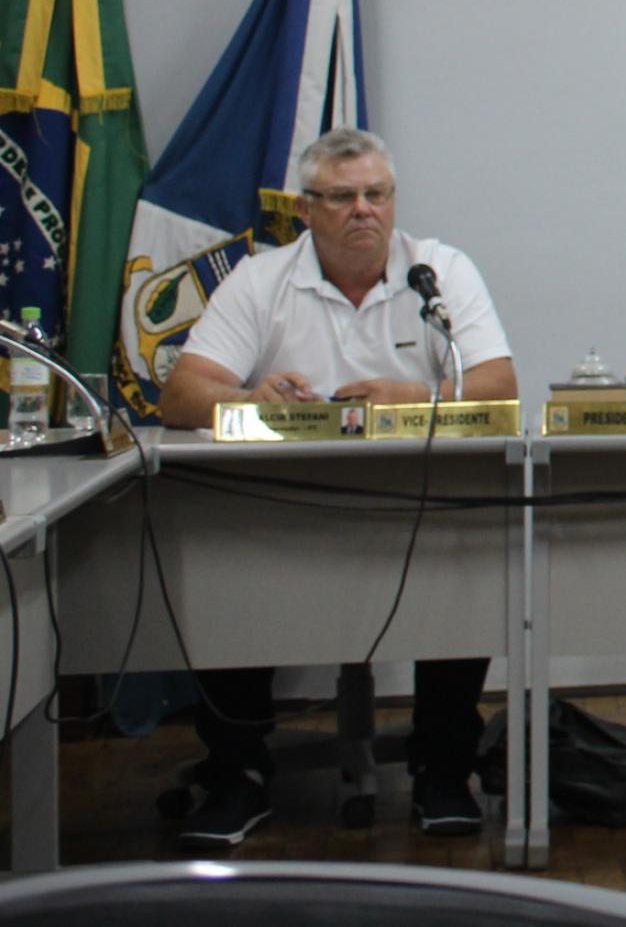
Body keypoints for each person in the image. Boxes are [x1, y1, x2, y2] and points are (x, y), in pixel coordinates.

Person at [157, 128, 518, 849]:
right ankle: (238, 773)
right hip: (283, 513)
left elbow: (499, 385)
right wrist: (250, 400)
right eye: (343, 197)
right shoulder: (262, 280)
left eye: (377, 195)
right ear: (305, 209)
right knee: (223, 567)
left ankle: (442, 765)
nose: (364, 211)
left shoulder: (437, 272)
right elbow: (181, 395)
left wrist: (414, 396)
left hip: (419, 507)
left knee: (469, 557)